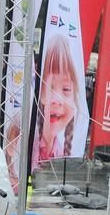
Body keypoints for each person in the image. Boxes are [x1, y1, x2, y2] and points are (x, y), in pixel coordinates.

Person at [31, 34, 81, 170]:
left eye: (66, 89)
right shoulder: (29, 140)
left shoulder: (59, 149)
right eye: (49, 87)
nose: (57, 100)